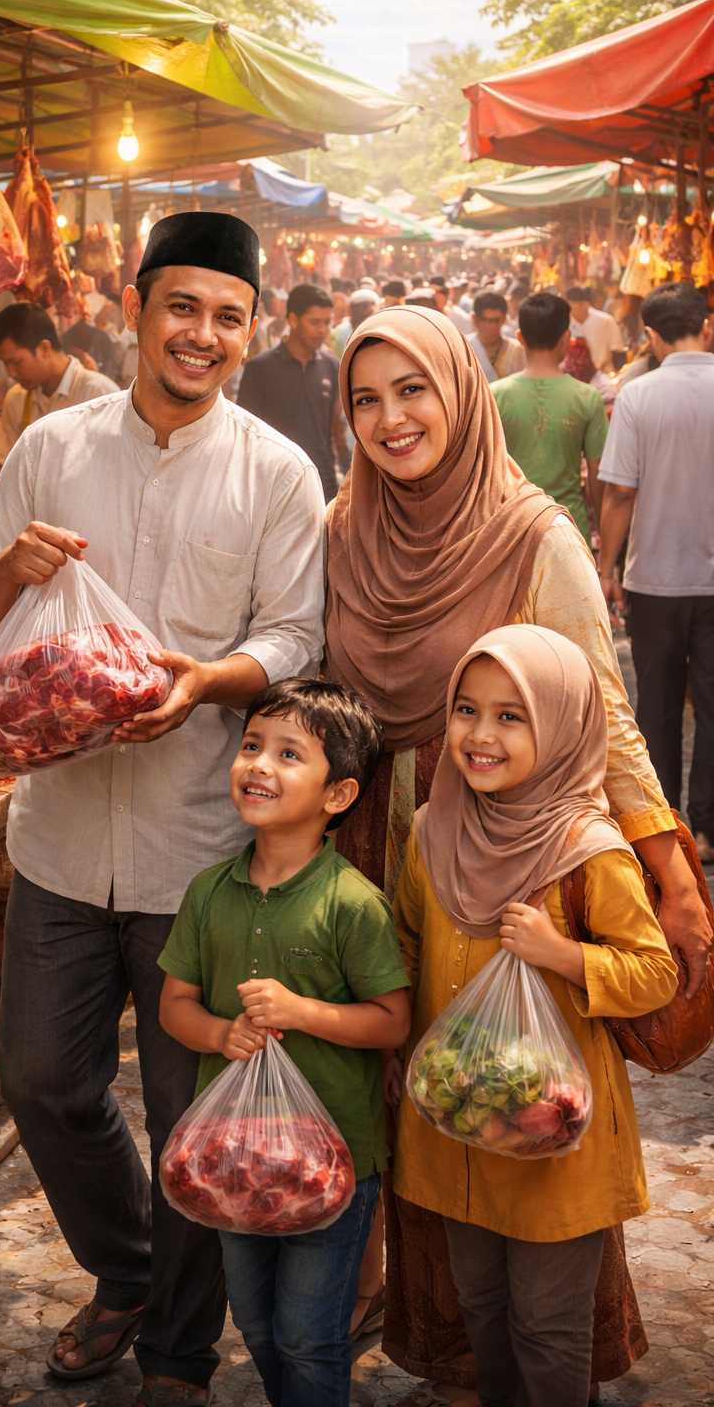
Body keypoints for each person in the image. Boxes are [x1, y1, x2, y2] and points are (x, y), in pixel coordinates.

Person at [0, 211, 326, 1405]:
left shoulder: (276, 470)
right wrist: (7, 574)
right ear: (138, 310)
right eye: (181, 308)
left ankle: (175, 1350)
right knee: (42, 1087)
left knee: (186, 1115)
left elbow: (294, 634)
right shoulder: (53, 445)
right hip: (58, 843)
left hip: (197, 852)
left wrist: (207, 682)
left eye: (227, 316)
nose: (201, 334)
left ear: (248, 329)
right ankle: (129, 1268)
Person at [324, 306, 711, 1401]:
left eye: (413, 389)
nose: (391, 419)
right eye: (366, 399)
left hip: (514, 856)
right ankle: (444, 1340)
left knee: (524, 1096)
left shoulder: (534, 537)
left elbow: (604, 713)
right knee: (420, 1095)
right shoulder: (342, 526)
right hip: (382, 848)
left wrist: (667, 867)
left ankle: (538, 1357)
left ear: (462, 390)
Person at [388, 626, 677, 1407]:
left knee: (549, 1325)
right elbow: (408, 943)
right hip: (459, 1122)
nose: (481, 735)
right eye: (467, 710)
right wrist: (387, 1040)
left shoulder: (590, 850)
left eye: (512, 716)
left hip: (553, 1135)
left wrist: (562, 954)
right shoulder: (433, 829)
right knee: (481, 1304)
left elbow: (656, 973)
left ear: (562, 725)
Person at [158, 676, 411, 1407]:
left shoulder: (351, 903)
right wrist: (221, 1033)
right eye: (251, 746)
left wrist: (301, 1011)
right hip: (234, 1159)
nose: (259, 765)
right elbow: (175, 1005)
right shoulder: (209, 892)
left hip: (336, 1164)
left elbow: (391, 1022)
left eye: (288, 754)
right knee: (258, 1326)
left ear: (339, 794)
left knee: (309, 1335)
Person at [599, 280, 714, 863]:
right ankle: (710, 829)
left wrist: (606, 567)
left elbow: (620, 492)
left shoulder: (638, 395)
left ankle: (666, 834)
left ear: (650, 334)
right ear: (707, 325)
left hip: (655, 580)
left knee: (658, 707)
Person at [0, 302, 117, 557]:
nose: (10, 372)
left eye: (16, 362)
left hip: (89, 539)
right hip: (34, 541)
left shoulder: (99, 393)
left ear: (44, 349)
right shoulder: (16, 398)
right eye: (5, 364)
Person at [491, 292, 608, 547]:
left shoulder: (494, 395)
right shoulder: (588, 397)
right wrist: (602, 531)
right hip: (569, 527)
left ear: (520, 338)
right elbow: (597, 474)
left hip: (510, 528)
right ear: (566, 338)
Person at [237, 282, 349, 503]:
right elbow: (244, 433)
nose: (323, 330)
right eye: (315, 322)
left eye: (327, 322)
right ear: (293, 320)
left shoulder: (332, 365)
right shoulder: (260, 367)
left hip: (322, 482)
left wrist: (347, 473)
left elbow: (337, 426)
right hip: (273, 484)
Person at [468, 290, 525, 382]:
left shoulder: (517, 350)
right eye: (487, 320)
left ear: (504, 318)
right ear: (474, 318)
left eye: (497, 320)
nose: (493, 326)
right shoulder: (465, 346)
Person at [567, 284, 624, 373]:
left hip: (604, 372)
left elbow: (618, 352)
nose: (569, 310)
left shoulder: (606, 320)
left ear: (585, 304)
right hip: (575, 374)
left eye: (572, 307)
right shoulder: (565, 324)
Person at [330, 287, 378, 356]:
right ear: (362, 309)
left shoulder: (339, 330)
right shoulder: (339, 333)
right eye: (375, 307)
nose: (377, 311)